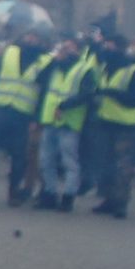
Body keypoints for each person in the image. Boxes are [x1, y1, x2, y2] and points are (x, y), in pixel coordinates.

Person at [0, 28, 46, 206]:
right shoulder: (9, 53)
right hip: (1, 108)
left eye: (35, 36)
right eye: (29, 35)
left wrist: (36, 118)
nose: (31, 38)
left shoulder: (45, 61)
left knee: (18, 155)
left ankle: (13, 192)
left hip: (23, 113)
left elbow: (43, 93)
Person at [83, 35, 135, 218]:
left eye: (110, 46)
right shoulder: (105, 68)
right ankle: (108, 200)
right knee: (106, 164)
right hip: (105, 122)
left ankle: (121, 203)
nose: (107, 50)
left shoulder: (134, 70)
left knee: (123, 166)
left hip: (126, 125)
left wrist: (113, 93)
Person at [33, 37, 94, 210]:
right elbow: (40, 80)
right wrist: (54, 61)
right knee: (46, 160)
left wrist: (65, 106)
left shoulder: (85, 69)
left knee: (69, 161)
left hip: (70, 121)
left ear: (78, 50)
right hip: (50, 119)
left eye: (70, 47)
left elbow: (87, 94)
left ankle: (68, 196)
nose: (66, 50)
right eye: (64, 47)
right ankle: (49, 194)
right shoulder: (55, 67)